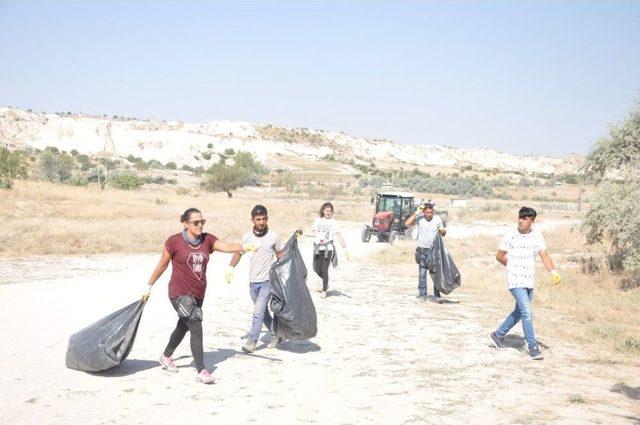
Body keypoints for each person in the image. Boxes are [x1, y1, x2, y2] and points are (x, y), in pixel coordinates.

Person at [146, 208, 245, 384]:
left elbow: (228, 247)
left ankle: (166, 355)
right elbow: (162, 265)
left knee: (183, 325)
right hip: (178, 293)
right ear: (185, 223)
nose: (200, 225)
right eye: (196, 222)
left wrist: (243, 246)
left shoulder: (207, 239)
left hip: (198, 293)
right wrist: (149, 285)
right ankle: (201, 370)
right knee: (195, 324)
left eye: (202, 222)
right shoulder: (174, 242)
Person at [489, 206, 562, 360]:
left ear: (532, 221)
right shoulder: (510, 235)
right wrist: (512, 267)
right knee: (527, 313)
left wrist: (553, 271)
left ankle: (498, 334)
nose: (521, 221)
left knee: (520, 312)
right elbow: (500, 256)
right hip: (515, 280)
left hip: (528, 279)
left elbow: (544, 255)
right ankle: (533, 347)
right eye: (520, 217)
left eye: (525, 218)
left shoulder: (537, 236)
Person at [226, 205, 285, 353]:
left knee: (258, 312)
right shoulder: (247, 237)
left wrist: (284, 277)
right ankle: (277, 334)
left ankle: (252, 341)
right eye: (258, 219)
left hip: (267, 281)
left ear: (267, 219)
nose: (261, 222)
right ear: (252, 220)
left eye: (264, 219)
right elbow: (239, 253)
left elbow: (280, 257)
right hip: (253, 282)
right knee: (263, 313)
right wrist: (231, 268)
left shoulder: (274, 237)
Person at [405, 202, 446, 303]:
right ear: (424, 212)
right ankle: (422, 295)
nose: (429, 214)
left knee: (436, 274)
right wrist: (417, 212)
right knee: (422, 274)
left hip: (435, 250)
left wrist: (442, 231)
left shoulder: (437, 219)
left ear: (433, 212)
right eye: (427, 212)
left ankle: (437, 294)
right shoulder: (420, 219)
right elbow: (407, 224)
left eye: (431, 212)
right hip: (422, 250)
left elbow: (443, 233)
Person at [306, 202, 349, 299]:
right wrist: (302, 234)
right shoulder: (317, 221)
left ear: (332, 212)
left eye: (330, 211)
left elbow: (338, 235)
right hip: (318, 248)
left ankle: (324, 290)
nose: (328, 212)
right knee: (317, 269)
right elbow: (313, 233)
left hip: (328, 249)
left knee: (324, 270)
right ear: (323, 211)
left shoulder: (334, 223)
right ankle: (326, 282)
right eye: (326, 210)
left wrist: (345, 248)